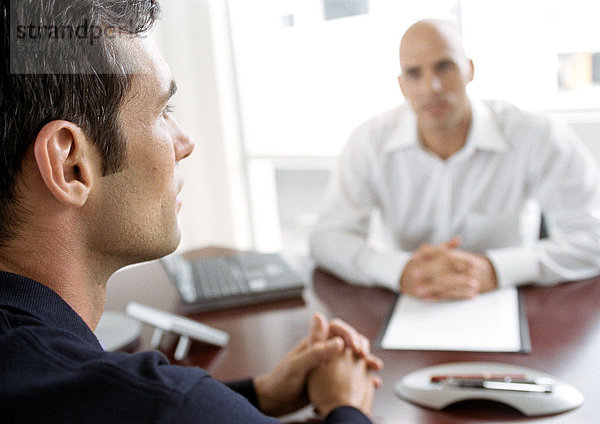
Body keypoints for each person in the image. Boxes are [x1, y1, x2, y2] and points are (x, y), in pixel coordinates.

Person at [0, 1, 382, 423]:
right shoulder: (171, 405)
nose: (185, 142)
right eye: (163, 111)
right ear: (70, 165)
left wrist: (257, 395)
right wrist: (346, 406)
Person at [310, 18, 600, 300]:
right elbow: (327, 238)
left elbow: (594, 237)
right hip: (413, 302)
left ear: (469, 69)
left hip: (512, 304)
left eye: (444, 66)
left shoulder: (537, 135)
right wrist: (400, 270)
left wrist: (495, 269)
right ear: (401, 85)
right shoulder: (368, 142)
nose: (431, 87)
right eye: (414, 74)